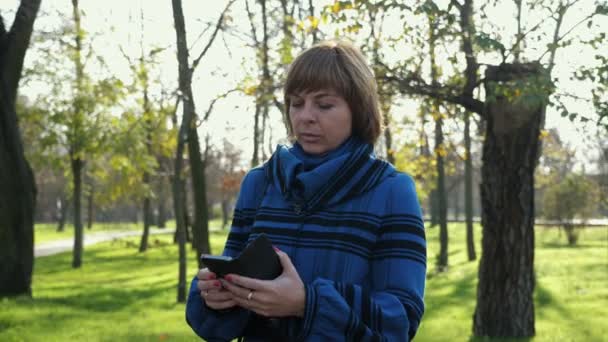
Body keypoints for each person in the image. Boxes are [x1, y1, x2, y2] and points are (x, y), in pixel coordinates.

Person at [186, 40, 426, 341]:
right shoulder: (260, 184)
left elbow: (402, 316)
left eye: (324, 105)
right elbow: (233, 272)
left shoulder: (390, 190)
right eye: (296, 103)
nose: (305, 116)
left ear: (359, 109)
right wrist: (217, 297)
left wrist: (307, 304)